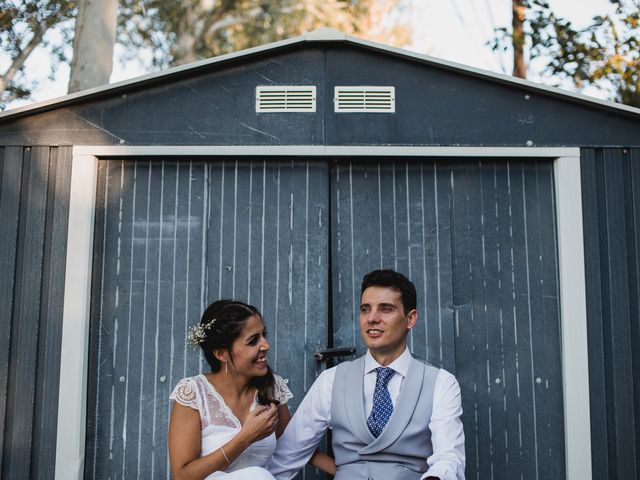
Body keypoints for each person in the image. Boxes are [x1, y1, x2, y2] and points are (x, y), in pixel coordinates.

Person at [268, 269, 465, 480]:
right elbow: (286, 457)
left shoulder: (441, 383)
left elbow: (449, 458)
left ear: (410, 319)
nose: (372, 318)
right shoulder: (331, 381)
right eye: (365, 309)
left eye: (386, 309)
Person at [168, 299, 335, 479]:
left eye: (264, 335)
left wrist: (346, 472)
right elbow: (182, 476)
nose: (266, 345)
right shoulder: (194, 392)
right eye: (253, 341)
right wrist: (246, 437)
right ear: (221, 354)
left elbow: (297, 445)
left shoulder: (271, 388)